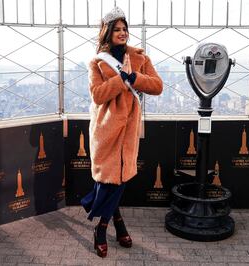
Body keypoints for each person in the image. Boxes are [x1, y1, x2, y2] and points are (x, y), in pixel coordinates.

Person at [80, 6, 163, 258]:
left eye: (125, 29)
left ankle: (105, 224)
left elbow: (157, 86)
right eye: (117, 29)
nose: (122, 33)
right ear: (107, 32)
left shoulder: (140, 57)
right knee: (109, 181)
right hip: (106, 130)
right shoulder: (97, 62)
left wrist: (134, 76)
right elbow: (97, 95)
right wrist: (121, 79)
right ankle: (107, 228)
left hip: (128, 132)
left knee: (119, 179)